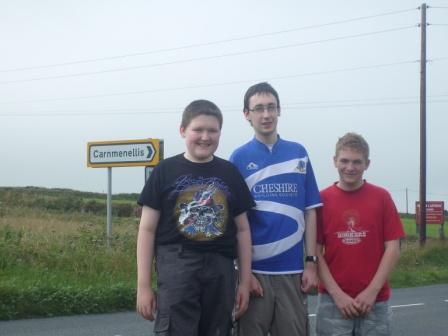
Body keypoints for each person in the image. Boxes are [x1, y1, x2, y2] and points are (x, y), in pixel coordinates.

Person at [136, 99, 254, 336]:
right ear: (182, 131)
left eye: (212, 130)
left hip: (221, 268)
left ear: (220, 133)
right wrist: (143, 285)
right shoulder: (164, 170)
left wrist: (244, 281)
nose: (205, 137)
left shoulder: (229, 173)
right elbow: (147, 230)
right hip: (176, 264)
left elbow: (242, 230)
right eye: (197, 129)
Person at [230, 82, 322, 336]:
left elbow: (310, 211)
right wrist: (243, 274)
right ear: (246, 114)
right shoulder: (238, 158)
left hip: (293, 272)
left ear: (279, 110)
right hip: (255, 274)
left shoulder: (298, 153)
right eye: (258, 108)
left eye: (271, 107)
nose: (266, 114)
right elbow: (235, 223)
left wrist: (311, 262)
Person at [316, 132, 405, 336]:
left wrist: (371, 291)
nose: (350, 167)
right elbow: (315, 251)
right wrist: (337, 295)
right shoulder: (322, 200)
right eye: (344, 161)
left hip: (375, 300)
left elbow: (393, 247)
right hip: (333, 301)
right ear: (334, 161)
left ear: (367, 164)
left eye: (357, 162)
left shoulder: (382, 197)